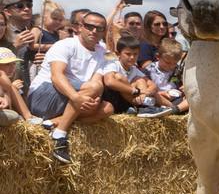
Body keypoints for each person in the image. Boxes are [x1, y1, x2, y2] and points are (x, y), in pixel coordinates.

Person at [28, 10, 115, 163]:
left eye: (99, 28)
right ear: (80, 27)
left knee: (107, 108)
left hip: (70, 99)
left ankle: (54, 123)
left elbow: (98, 82)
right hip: (42, 96)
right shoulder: (65, 45)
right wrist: (77, 98)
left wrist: (93, 101)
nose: (94, 31)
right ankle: (59, 135)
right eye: (89, 26)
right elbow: (56, 76)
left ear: (103, 32)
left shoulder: (101, 53)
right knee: (93, 88)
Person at [100, 34, 175, 117]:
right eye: (128, 54)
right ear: (118, 54)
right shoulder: (113, 64)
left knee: (140, 80)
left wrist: (145, 94)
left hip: (131, 100)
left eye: (135, 54)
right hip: (114, 100)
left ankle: (172, 109)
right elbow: (109, 82)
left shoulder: (133, 69)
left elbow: (153, 85)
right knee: (119, 77)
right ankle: (144, 107)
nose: (132, 57)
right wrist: (135, 91)